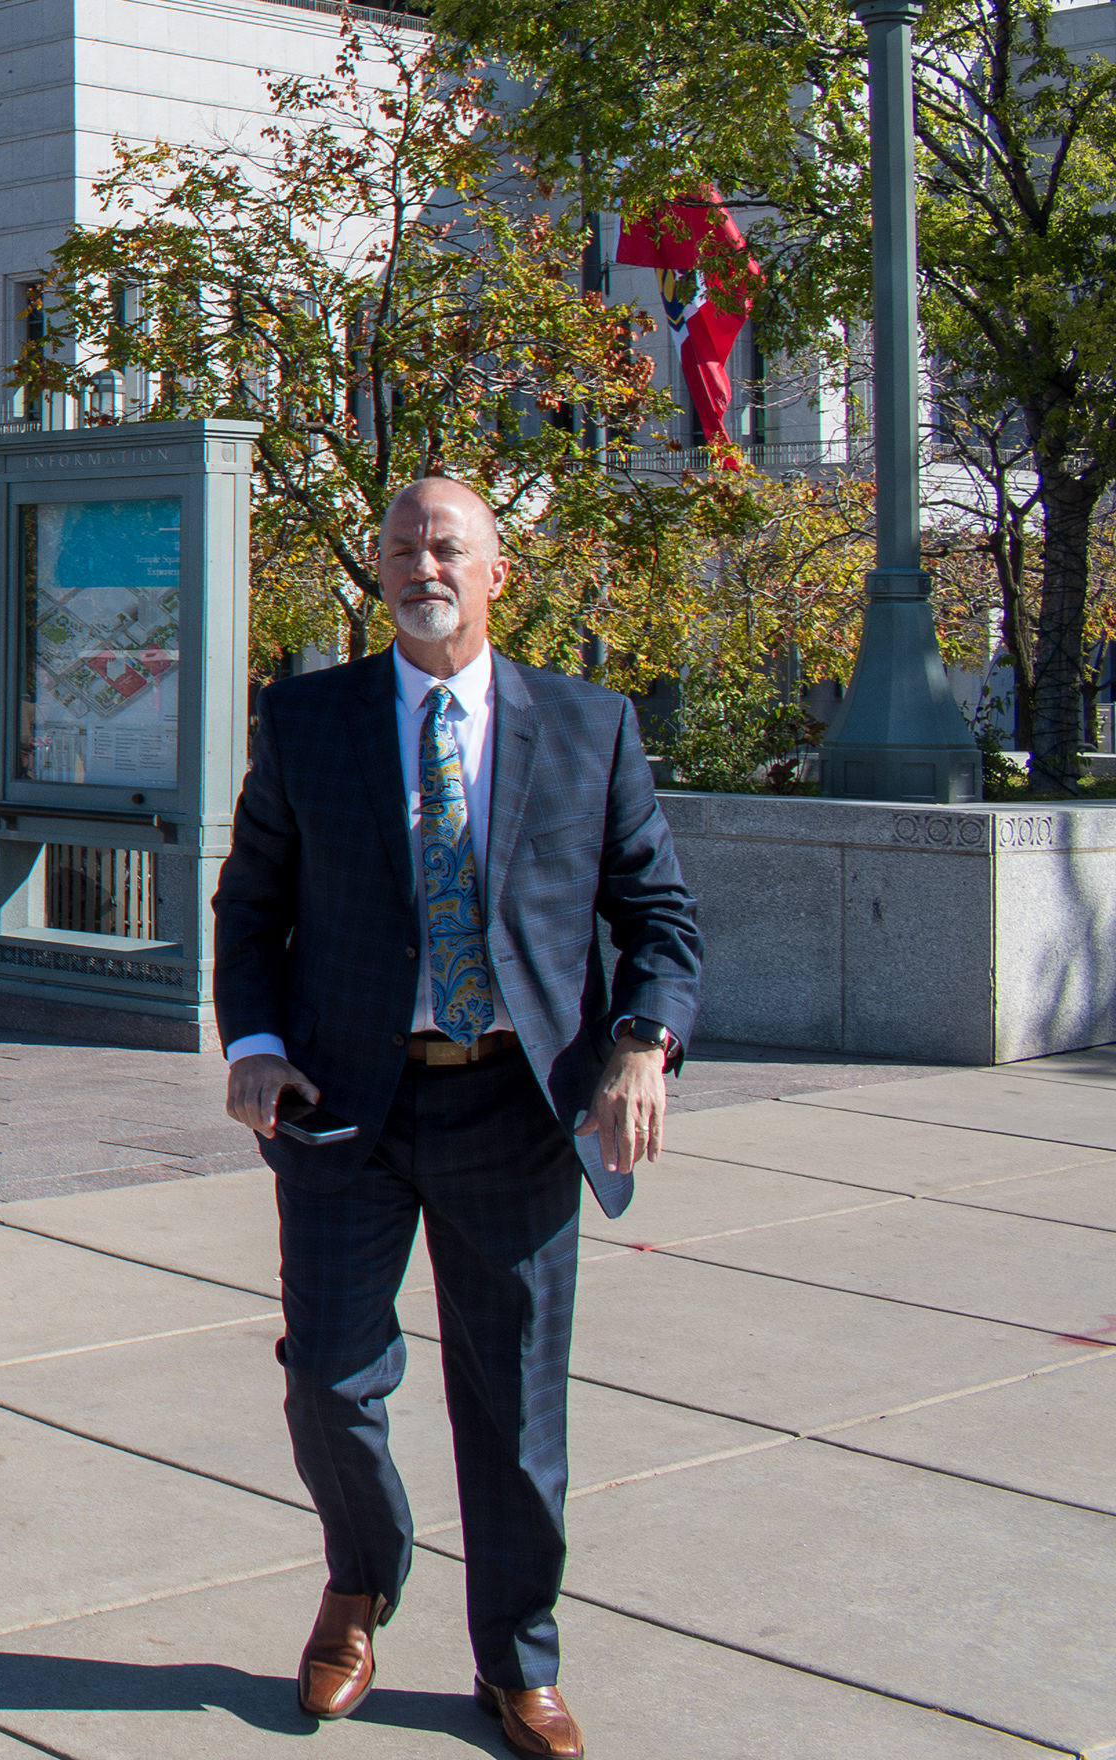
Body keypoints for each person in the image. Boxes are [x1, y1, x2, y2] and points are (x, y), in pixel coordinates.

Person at [211, 476, 700, 1752]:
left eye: (448, 545)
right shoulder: (308, 720)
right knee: (327, 1377)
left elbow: (658, 919)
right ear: (376, 571)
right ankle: (363, 1576)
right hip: (344, 1106)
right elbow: (249, 906)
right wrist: (256, 1043)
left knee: (515, 1409)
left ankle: (517, 1660)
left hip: (518, 1109)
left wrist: (642, 1044)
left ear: (495, 573)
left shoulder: (591, 729)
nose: (422, 562)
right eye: (401, 545)